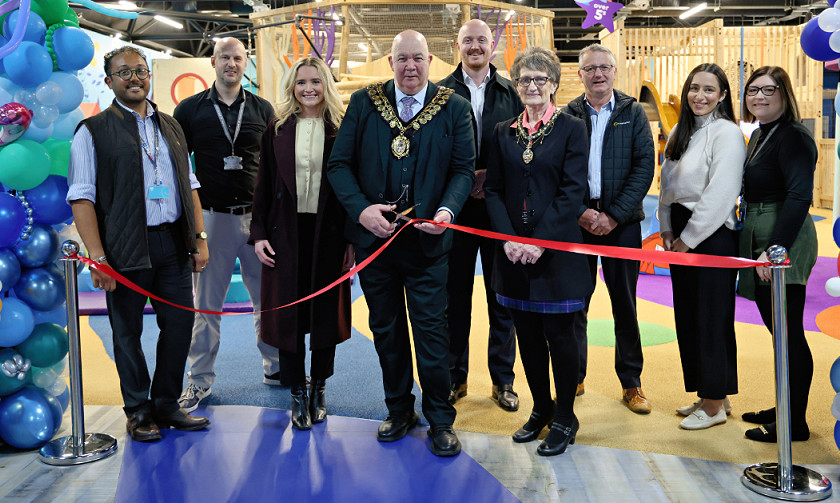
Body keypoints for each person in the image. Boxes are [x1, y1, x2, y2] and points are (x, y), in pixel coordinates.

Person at [327, 30, 475, 457]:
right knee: (387, 331)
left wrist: (446, 213)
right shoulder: (364, 104)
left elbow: (464, 171)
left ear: (431, 61)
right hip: (376, 244)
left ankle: (441, 420)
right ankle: (398, 409)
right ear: (389, 62)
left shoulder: (454, 108)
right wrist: (362, 211)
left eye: (417, 58)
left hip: (429, 246)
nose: (410, 66)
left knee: (432, 334)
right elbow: (339, 166)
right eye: (401, 59)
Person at [66, 46, 210, 442]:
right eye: (124, 72)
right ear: (109, 81)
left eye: (141, 71)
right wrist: (98, 258)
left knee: (180, 325)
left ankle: (166, 403)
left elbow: (190, 186)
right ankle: (138, 411)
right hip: (123, 249)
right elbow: (82, 197)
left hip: (173, 244)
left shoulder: (171, 126)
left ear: (150, 77)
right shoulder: (92, 131)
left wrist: (199, 239)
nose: (134, 78)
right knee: (126, 332)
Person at [484, 46, 592, 456]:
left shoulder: (571, 128)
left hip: (557, 255)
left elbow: (571, 192)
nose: (532, 86)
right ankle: (541, 408)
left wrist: (537, 241)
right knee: (526, 337)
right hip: (512, 256)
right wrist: (511, 239)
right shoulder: (503, 131)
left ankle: (565, 415)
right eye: (525, 79)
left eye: (540, 79)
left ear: (553, 84)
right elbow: (493, 189)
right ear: (516, 85)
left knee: (561, 339)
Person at [172, 37, 279, 413]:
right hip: (212, 218)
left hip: (256, 220)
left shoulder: (263, 109)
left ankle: (275, 367)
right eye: (225, 58)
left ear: (245, 63)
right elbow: (177, 168)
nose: (231, 64)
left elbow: (276, 167)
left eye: (237, 58)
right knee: (206, 306)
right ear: (213, 61)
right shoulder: (190, 110)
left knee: (266, 301)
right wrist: (189, 224)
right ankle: (199, 379)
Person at [249, 57, 352, 431]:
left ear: (326, 85)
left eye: (315, 81)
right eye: (301, 82)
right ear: (292, 87)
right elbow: (262, 184)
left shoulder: (342, 128)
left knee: (325, 315)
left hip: (330, 233)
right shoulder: (276, 128)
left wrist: (352, 239)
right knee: (287, 315)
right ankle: (296, 391)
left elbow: (352, 186)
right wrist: (258, 234)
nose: (308, 88)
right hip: (284, 235)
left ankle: (319, 387)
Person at [562, 44, 655, 412]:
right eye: (590, 68)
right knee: (574, 304)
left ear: (614, 71)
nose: (597, 74)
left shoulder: (633, 112)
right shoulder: (567, 115)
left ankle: (631, 383)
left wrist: (614, 215)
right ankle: (575, 375)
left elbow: (644, 168)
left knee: (625, 305)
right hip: (578, 222)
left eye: (604, 67)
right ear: (580, 74)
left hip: (623, 224)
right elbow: (559, 171)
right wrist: (582, 212)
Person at [437, 19, 523, 411]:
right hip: (453, 210)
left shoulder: (512, 93)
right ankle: (456, 377)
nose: (475, 46)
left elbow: (525, 147)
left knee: (502, 296)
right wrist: (461, 179)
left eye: (482, 40)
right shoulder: (438, 93)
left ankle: (503, 380)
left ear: (493, 45)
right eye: (468, 40)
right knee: (454, 296)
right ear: (458, 45)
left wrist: (490, 176)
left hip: (498, 212)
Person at [658, 63, 745, 430]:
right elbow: (667, 184)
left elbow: (721, 194)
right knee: (690, 315)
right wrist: (665, 228)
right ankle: (713, 394)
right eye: (694, 88)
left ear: (723, 95)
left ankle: (712, 406)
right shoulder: (681, 129)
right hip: (681, 232)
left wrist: (688, 240)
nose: (700, 96)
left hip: (709, 235)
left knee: (712, 317)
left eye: (709, 89)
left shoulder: (727, 133)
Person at [739, 66, 818, 443]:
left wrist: (777, 250)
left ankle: (795, 422)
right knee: (777, 331)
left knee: (788, 333)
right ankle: (784, 406)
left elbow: (800, 195)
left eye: (768, 90)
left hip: (782, 234)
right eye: (753, 90)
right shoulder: (760, 134)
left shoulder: (794, 137)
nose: (759, 96)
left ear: (784, 93)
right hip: (760, 229)